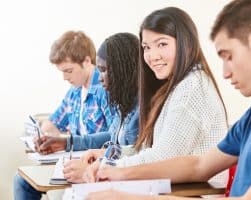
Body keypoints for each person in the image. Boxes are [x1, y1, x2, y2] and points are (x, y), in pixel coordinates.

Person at [84, 1, 251, 199]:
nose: (224, 73)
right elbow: (199, 165)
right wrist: (118, 173)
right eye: (147, 48)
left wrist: (128, 197)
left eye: (229, 56)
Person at [83, 6, 228, 185]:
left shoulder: (191, 87)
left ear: (185, 43)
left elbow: (164, 158)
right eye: (146, 47)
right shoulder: (178, 85)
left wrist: (112, 168)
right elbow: (152, 150)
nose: (152, 56)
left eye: (162, 44)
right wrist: (109, 158)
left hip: (195, 193)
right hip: (177, 189)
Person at [13, 31, 115, 200]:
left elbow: (115, 136)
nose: (65, 77)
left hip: (93, 162)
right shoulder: (74, 91)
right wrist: (43, 138)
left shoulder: (104, 88)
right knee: (21, 180)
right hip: (72, 158)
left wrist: (67, 142)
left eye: (68, 71)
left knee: (23, 183)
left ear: (88, 61)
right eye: (62, 71)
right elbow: (53, 123)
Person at [62, 32, 140, 183]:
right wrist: (103, 153)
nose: (99, 78)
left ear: (123, 70)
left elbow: (140, 157)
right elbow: (120, 146)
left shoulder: (143, 109)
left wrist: (96, 168)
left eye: (104, 70)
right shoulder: (122, 104)